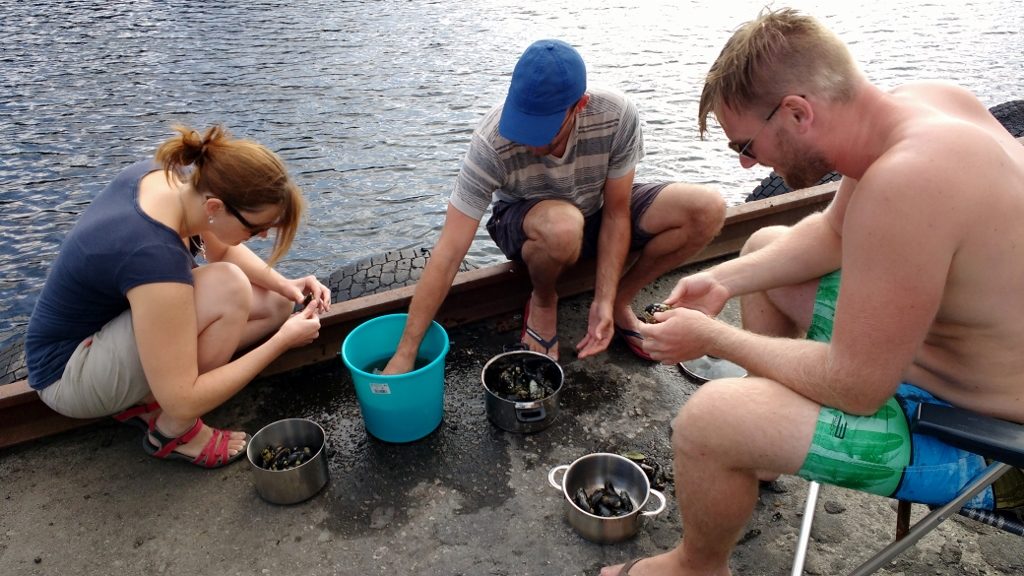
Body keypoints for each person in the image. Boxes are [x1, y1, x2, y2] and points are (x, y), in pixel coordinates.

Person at [600, 8, 1024, 576]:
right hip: (949, 359)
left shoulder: (908, 182)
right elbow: (831, 233)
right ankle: (760, 455)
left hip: (987, 441)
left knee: (707, 422)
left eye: (745, 144)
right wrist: (723, 280)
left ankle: (695, 566)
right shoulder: (925, 105)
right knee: (763, 249)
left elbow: (856, 386)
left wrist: (713, 338)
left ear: (797, 112)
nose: (747, 162)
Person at [384, 39, 725, 373]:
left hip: (595, 209)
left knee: (706, 208)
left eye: (545, 132)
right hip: (530, 225)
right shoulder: (490, 141)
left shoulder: (617, 115)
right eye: (523, 128)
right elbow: (449, 251)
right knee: (563, 226)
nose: (532, 144)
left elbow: (616, 211)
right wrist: (405, 351)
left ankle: (620, 302)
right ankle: (544, 300)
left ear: (580, 105)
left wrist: (604, 299)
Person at [25, 124, 330, 469]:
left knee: (275, 304)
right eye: (255, 227)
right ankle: (174, 432)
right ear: (215, 207)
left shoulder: (183, 183)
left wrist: (287, 286)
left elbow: (222, 251)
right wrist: (282, 342)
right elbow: (183, 399)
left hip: (107, 336)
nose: (261, 236)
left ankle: (145, 397)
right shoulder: (153, 253)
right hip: (69, 373)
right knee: (228, 287)